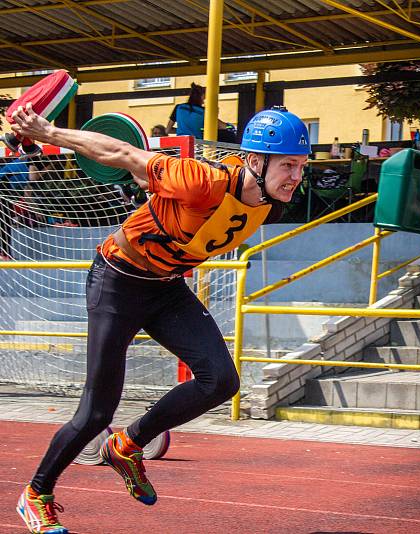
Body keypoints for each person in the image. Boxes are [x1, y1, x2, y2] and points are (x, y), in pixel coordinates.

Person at [11, 102, 309, 534]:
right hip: (117, 280)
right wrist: (48, 132)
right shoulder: (202, 180)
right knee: (96, 411)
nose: (296, 177)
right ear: (255, 161)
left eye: (301, 165)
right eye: (288, 165)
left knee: (221, 381)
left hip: (165, 288)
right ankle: (36, 494)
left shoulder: (272, 205)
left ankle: (127, 445)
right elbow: (124, 155)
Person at [166, 82, 232, 141]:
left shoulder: (179, 107)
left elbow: (168, 130)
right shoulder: (204, 111)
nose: (204, 101)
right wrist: (230, 126)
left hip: (180, 144)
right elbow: (221, 126)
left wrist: (181, 130)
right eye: (204, 98)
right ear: (201, 96)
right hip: (196, 145)